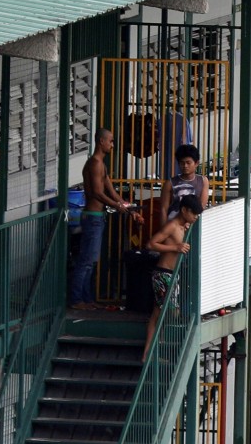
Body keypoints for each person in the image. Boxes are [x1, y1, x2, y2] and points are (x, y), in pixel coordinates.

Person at [69, 128, 145, 311]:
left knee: (90, 262)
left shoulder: (101, 164)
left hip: (97, 217)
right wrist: (117, 205)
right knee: (86, 262)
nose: (112, 144)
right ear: (101, 141)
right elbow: (97, 192)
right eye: (110, 141)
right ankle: (76, 300)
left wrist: (129, 209)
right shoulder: (94, 163)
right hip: (92, 217)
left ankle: (86, 300)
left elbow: (112, 192)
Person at [142, 195, 204, 363]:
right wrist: (175, 247)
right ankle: (152, 351)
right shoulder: (172, 226)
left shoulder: (185, 225)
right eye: (194, 214)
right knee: (169, 313)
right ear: (184, 210)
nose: (196, 217)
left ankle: (149, 353)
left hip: (171, 275)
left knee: (158, 313)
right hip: (163, 273)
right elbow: (151, 244)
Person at [159, 144, 210, 229]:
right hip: (173, 226)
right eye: (182, 163)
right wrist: (164, 230)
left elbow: (202, 205)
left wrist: (189, 222)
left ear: (196, 163)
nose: (185, 166)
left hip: (193, 226)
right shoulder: (170, 183)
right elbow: (164, 209)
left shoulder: (203, 181)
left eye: (188, 163)